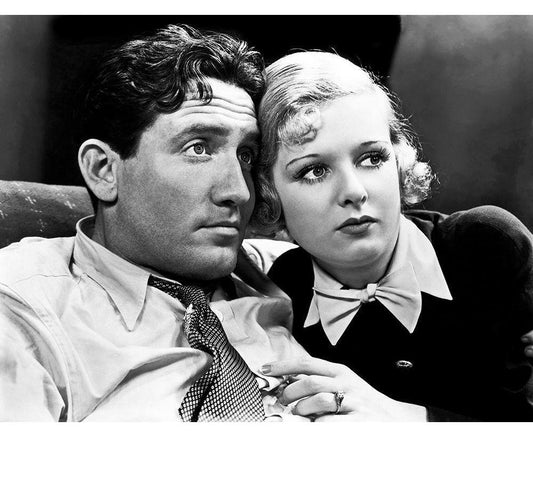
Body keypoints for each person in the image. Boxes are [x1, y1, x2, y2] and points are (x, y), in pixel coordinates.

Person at [0, 24, 308, 421]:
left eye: (246, 155)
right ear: (103, 170)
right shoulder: (22, 305)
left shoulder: (286, 270)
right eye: (198, 148)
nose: (240, 192)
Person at [253, 51, 533, 421]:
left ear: (398, 162)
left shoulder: (486, 245)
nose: (354, 191)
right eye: (314, 170)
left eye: (372, 158)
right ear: (268, 193)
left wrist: (407, 420)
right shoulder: (282, 290)